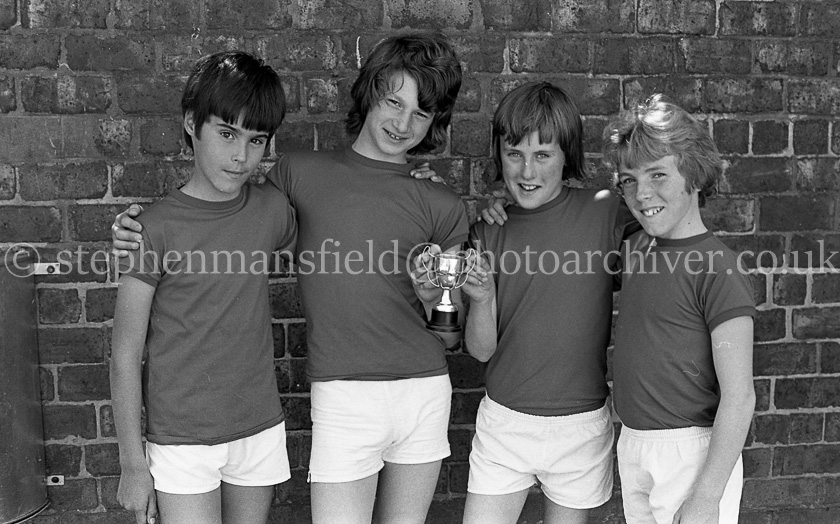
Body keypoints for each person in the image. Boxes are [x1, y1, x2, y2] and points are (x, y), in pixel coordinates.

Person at [112, 33, 469, 524]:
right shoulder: (293, 178)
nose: (403, 122)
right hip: (298, 406)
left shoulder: (437, 205)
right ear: (370, 93)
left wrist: (439, 243)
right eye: (393, 101)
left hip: (393, 397)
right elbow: (219, 209)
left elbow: (446, 324)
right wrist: (135, 226)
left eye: (421, 113)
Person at [110, 51, 296, 524]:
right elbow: (126, 352)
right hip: (181, 439)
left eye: (257, 141)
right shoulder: (152, 229)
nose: (241, 157)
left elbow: (348, 218)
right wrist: (134, 464)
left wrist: (411, 180)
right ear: (192, 123)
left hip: (256, 427)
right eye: (227, 133)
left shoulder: (272, 210)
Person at [457, 82, 638, 524]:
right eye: (514, 153)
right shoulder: (488, 231)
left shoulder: (607, 212)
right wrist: (481, 298)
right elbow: (480, 350)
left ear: (566, 156)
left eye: (543, 155)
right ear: (498, 154)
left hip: (580, 425)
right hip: (504, 422)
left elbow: (662, 250)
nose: (527, 170)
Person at [603, 94, 756, 523]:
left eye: (658, 175)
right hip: (635, 443)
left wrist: (707, 496)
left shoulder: (717, 268)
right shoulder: (635, 247)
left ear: (694, 176)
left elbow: (740, 397)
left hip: (692, 452)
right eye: (629, 180)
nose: (642, 192)